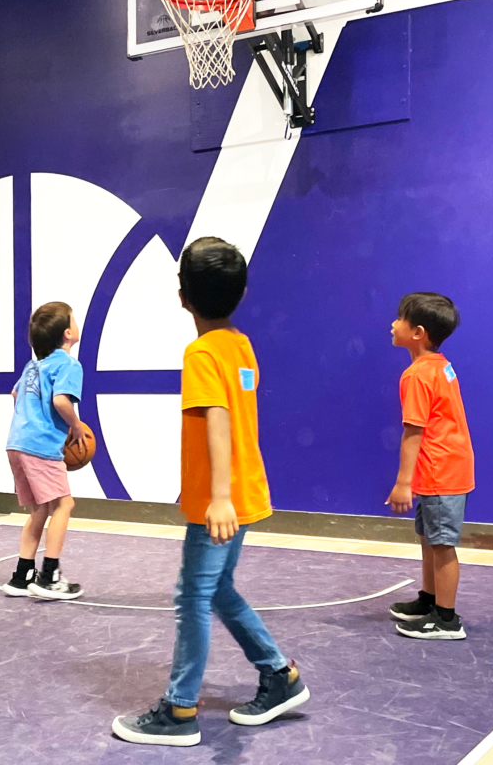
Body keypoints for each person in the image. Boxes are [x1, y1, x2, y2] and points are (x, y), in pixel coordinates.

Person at [112, 237, 309, 747]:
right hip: (243, 492)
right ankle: (280, 676)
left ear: (183, 297)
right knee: (218, 590)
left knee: (192, 597)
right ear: (240, 294)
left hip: (219, 501)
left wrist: (217, 496)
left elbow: (218, 418)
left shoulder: (200, 353)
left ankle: (179, 710)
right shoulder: (240, 345)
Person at [386, 291, 473, 640]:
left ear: (418, 332)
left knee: (441, 545)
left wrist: (402, 483)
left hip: (440, 471)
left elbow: (413, 431)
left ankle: (447, 620)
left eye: (399, 319)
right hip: (444, 467)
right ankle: (429, 600)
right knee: (428, 539)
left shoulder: (417, 375)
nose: (393, 325)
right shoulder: (441, 366)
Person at [2, 301, 87, 601]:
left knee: (39, 508)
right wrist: (75, 426)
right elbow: (62, 401)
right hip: (40, 447)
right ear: (67, 333)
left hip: (16, 443)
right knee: (64, 505)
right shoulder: (68, 364)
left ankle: (21, 575)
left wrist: (30, 419)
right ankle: (49, 575)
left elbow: (15, 394)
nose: (78, 324)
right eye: (74, 320)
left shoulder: (33, 366)